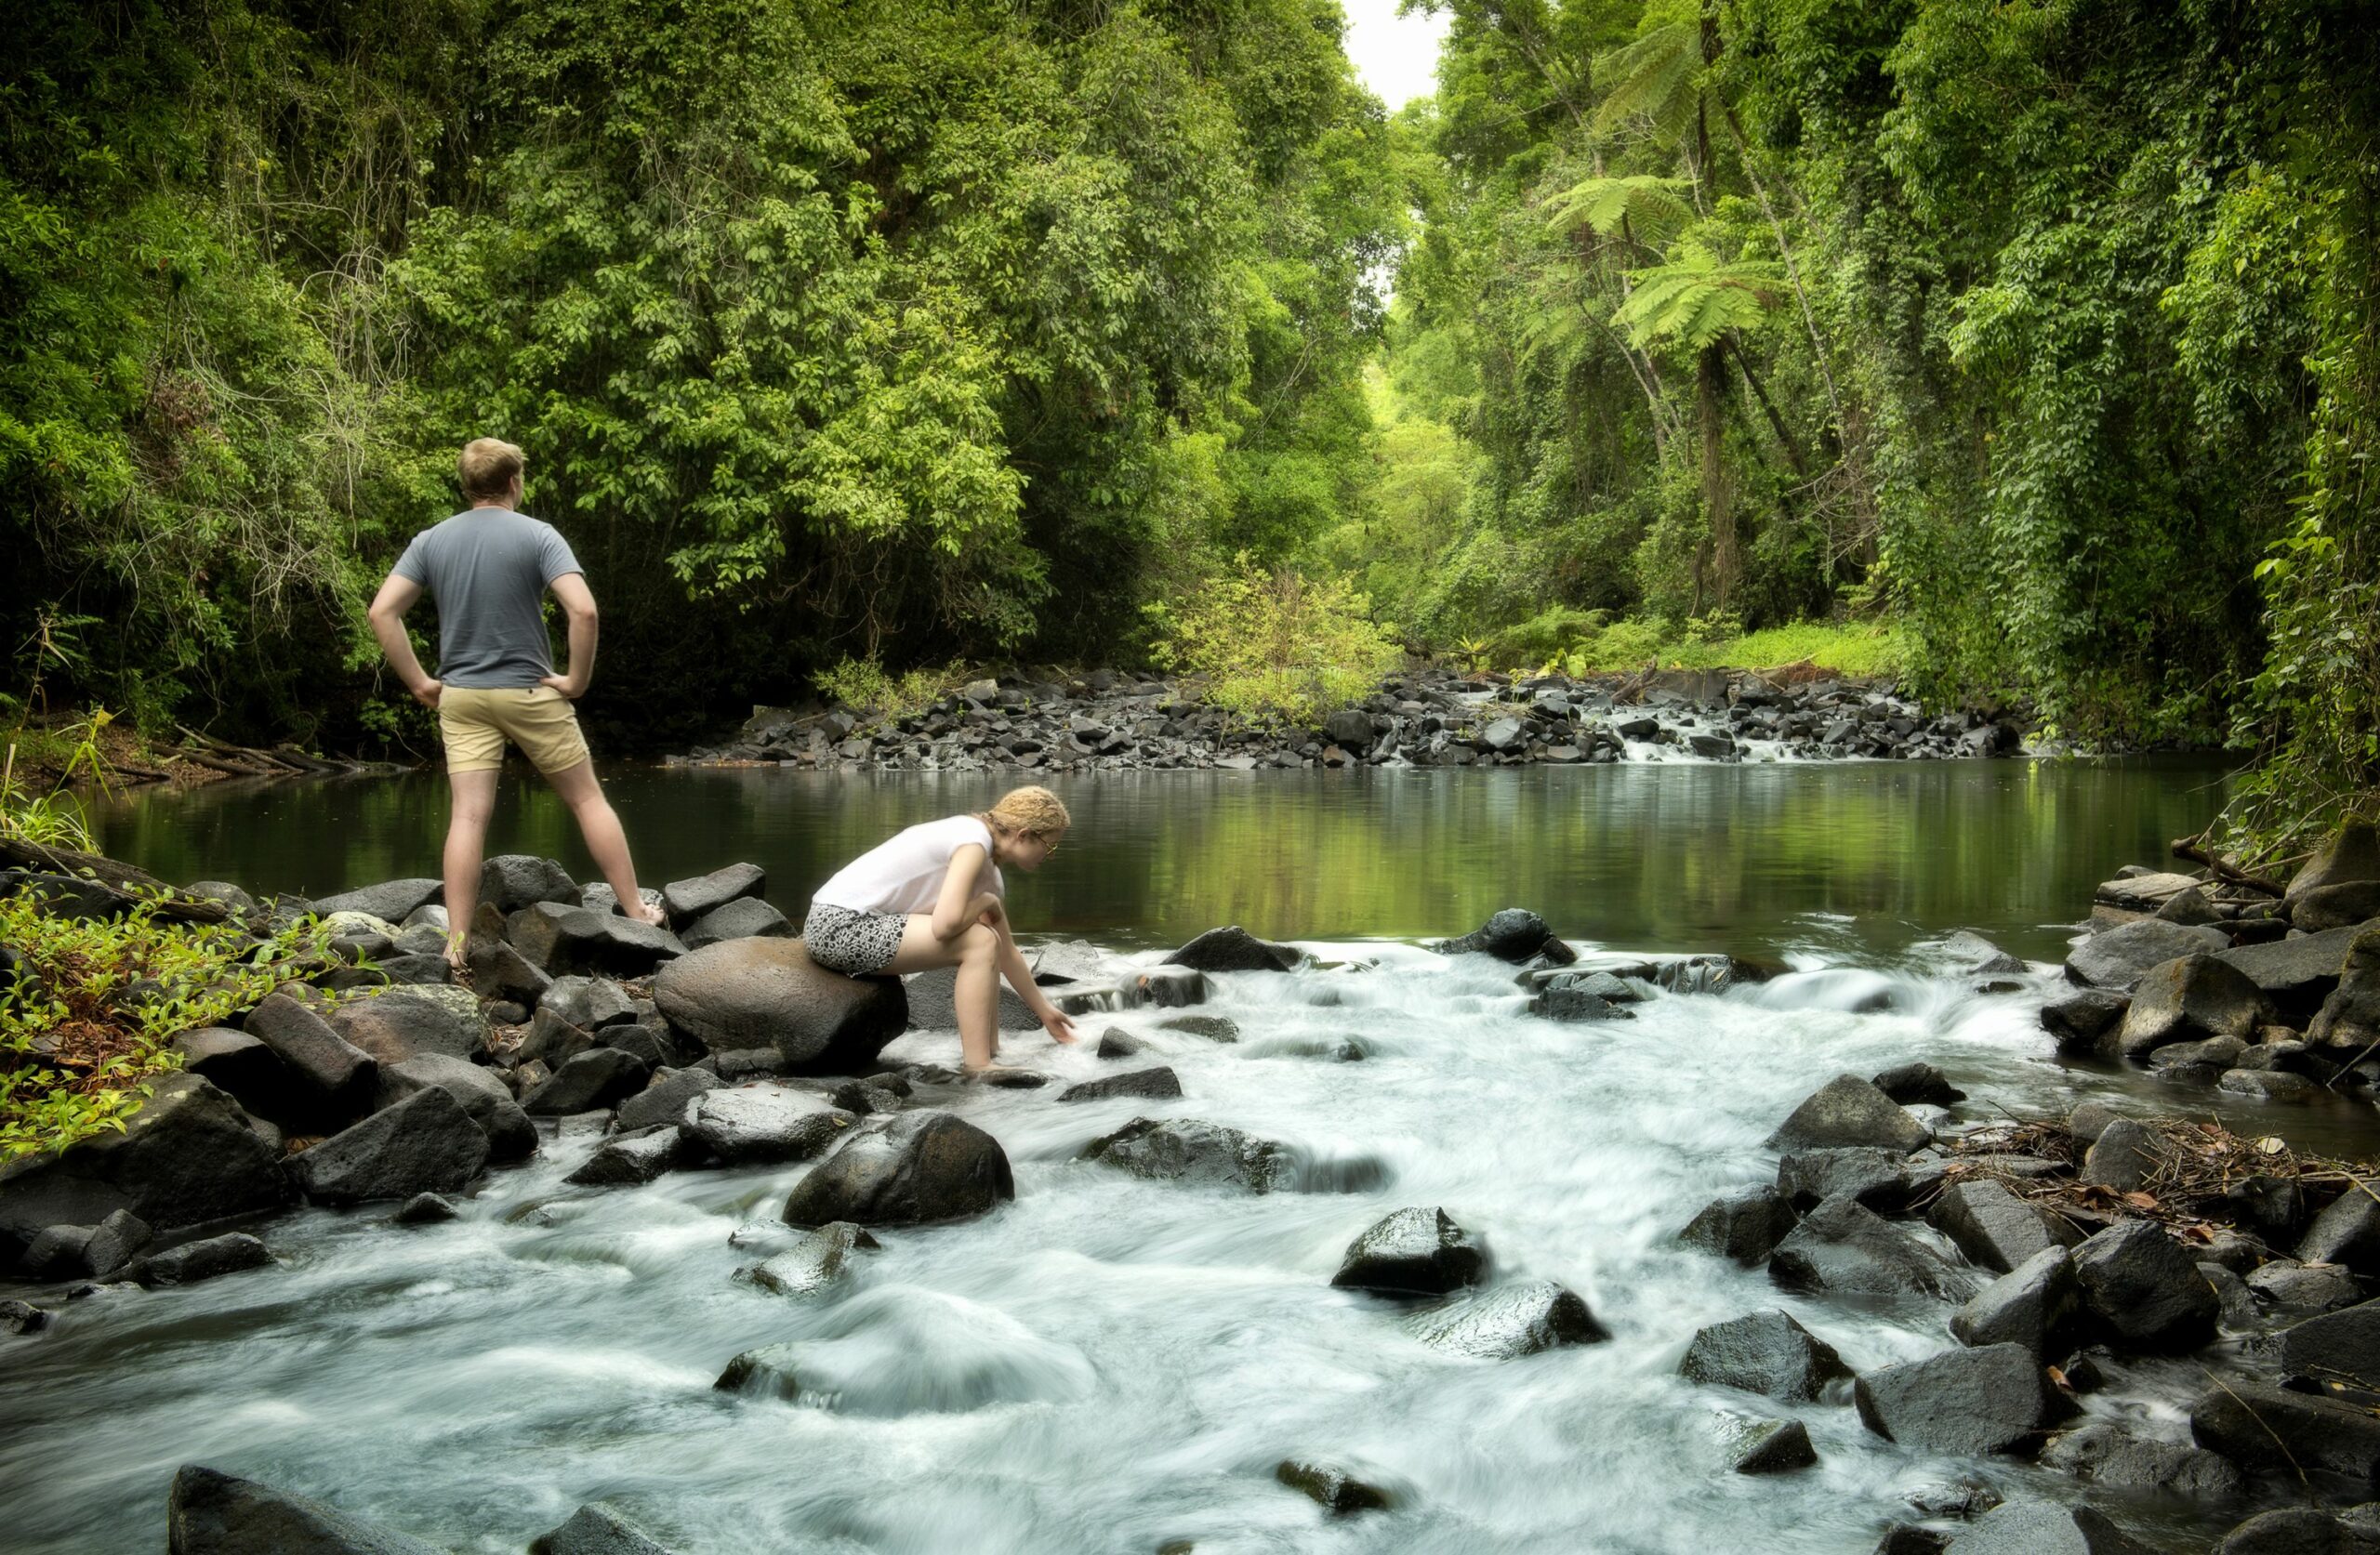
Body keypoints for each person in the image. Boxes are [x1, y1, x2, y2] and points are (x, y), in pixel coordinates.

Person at [365, 437, 663, 969]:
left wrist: (419, 683)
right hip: (529, 692)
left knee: (469, 816)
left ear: (468, 485)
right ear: (512, 483)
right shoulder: (539, 536)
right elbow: (585, 612)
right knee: (588, 800)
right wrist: (575, 680)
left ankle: (456, 942)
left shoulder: (431, 541)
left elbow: (382, 612)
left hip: (461, 696)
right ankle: (637, 910)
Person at [806, 786, 1078, 1074]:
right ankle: (977, 1065)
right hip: (837, 927)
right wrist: (986, 902)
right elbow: (945, 925)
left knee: (990, 939)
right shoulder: (972, 842)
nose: (1050, 856)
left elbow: (1007, 952)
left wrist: (1044, 1011)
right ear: (1023, 834)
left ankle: (990, 1049)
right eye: (1051, 846)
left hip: (846, 923)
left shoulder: (986, 864)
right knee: (979, 940)